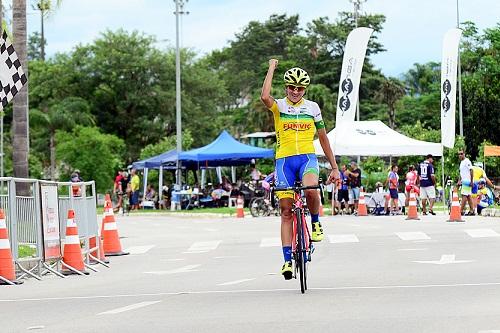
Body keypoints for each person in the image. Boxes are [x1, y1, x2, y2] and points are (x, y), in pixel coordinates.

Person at [261, 59, 339, 280]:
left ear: (305, 89)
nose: (295, 91)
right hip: (284, 162)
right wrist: (271, 68)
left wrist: (334, 167)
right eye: (291, 87)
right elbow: (264, 97)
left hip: (307, 159)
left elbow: (323, 139)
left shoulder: (312, 108)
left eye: (300, 88)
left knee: (311, 189)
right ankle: (287, 261)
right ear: (286, 87)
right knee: (286, 211)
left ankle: (315, 223)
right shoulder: (279, 107)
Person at [458, 150, 475, 215]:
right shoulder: (461, 162)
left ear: (464, 154)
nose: (460, 155)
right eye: (459, 154)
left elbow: (471, 170)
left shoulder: (467, 161)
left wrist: (471, 181)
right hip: (464, 181)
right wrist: (459, 180)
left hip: (467, 181)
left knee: (464, 196)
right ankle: (472, 210)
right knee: (468, 196)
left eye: (461, 154)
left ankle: (460, 211)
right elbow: (461, 173)